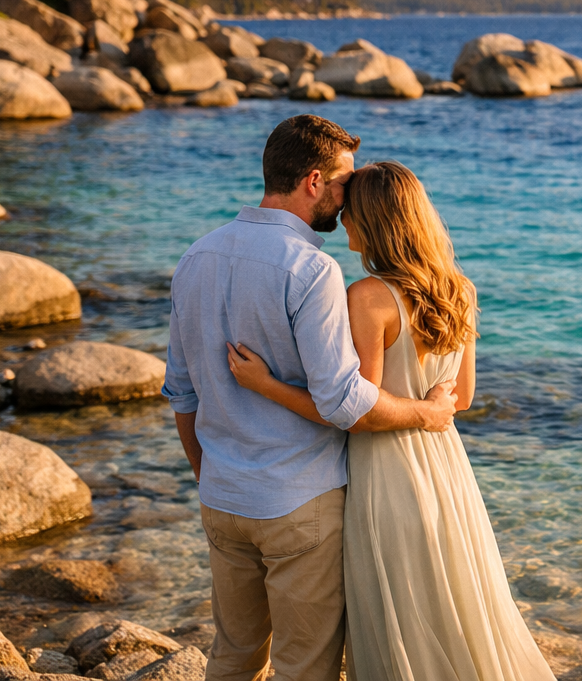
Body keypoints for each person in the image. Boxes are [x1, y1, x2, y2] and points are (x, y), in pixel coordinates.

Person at [229, 160, 557, 681]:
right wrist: (429, 406)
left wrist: (266, 385)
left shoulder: (369, 297)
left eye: (350, 212)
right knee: (452, 598)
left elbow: (359, 412)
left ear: (374, 221)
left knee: (397, 605)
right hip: (446, 470)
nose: (341, 222)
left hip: (385, 473)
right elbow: (464, 398)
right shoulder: (460, 290)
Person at [164, 116, 459, 681]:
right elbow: (348, 403)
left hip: (223, 497)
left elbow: (182, 390)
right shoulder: (311, 269)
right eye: (345, 181)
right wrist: (428, 412)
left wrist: (208, 475)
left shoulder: (195, 256)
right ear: (315, 180)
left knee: (232, 656)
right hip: (299, 502)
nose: (350, 197)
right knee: (306, 667)